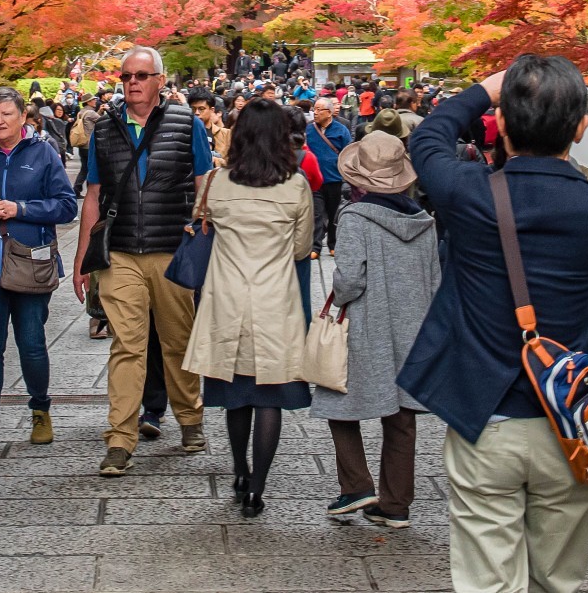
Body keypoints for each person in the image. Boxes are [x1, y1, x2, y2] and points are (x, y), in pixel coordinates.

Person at [399, 57, 588, 593]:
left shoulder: (468, 194)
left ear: (502, 125)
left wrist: (484, 89)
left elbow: (429, 136)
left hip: (485, 411)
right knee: (557, 576)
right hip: (571, 417)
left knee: (487, 578)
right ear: (580, 127)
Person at [74, 45, 214, 476]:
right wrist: (83, 256)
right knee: (128, 346)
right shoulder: (105, 129)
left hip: (171, 249)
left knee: (177, 341)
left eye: (141, 75)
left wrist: (200, 226)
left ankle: (190, 417)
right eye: (126, 76)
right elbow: (94, 194)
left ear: (158, 80)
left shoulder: (186, 123)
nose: (132, 82)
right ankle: (120, 437)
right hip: (120, 253)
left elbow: (204, 180)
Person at [181, 98, 314, 517]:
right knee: (269, 397)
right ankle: (258, 487)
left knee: (236, 395)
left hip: (227, 299)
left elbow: (201, 222)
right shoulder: (296, 187)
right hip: (275, 300)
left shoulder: (217, 183)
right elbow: (301, 248)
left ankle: (238, 470)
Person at [314, 130, 439, 529]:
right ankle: (396, 504)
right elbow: (435, 280)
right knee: (401, 415)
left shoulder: (354, 218)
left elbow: (349, 281)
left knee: (338, 399)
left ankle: (356, 485)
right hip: (412, 326)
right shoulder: (425, 222)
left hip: (367, 327)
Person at [0, 85, 77, 462]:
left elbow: (66, 206)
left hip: (30, 261)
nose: (0, 121)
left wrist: (19, 208)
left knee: (32, 343)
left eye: (7, 114)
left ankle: (40, 410)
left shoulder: (43, 153)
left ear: (23, 117)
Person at [304, 97, 353, 256]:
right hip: (314, 179)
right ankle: (315, 246)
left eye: (319, 110)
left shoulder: (341, 130)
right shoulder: (309, 129)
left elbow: (348, 152)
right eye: (314, 109)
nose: (315, 113)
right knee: (316, 213)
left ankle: (333, 244)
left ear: (329, 112)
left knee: (333, 213)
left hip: (334, 179)